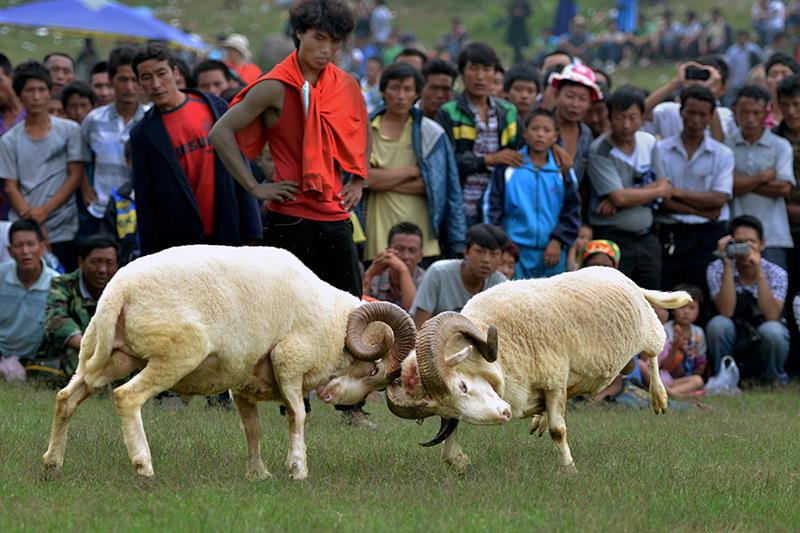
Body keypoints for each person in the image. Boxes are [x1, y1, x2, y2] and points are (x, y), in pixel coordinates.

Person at [210, 0, 371, 426]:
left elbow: (358, 132)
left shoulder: (346, 84)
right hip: (289, 216)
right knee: (284, 320)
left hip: (335, 214)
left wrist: (357, 179)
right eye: (319, 38)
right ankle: (291, 405)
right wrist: (254, 186)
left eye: (335, 41)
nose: (327, 49)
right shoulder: (274, 85)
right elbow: (220, 132)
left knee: (351, 313)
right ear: (299, 33)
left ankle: (352, 406)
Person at [130, 45, 262, 256]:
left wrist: (253, 229)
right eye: (146, 77)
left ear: (175, 73)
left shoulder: (213, 106)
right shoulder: (142, 134)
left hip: (228, 228)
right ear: (139, 84)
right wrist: (151, 257)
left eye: (161, 74)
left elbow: (241, 167)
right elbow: (146, 201)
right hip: (181, 242)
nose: (155, 84)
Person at [364, 62, 465, 262]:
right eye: (395, 88)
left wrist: (382, 180)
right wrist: (412, 171)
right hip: (377, 237)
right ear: (383, 91)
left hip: (423, 240)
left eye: (407, 89)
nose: (401, 96)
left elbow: (436, 187)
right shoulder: (365, 130)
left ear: (416, 93)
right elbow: (365, 180)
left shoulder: (432, 133)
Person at [0, 61, 85, 272]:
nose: (36, 97)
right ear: (19, 95)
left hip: (64, 227)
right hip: (25, 231)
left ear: (50, 92)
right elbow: (10, 186)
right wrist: (32, 218)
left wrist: (44, 212)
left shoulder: (70, 131)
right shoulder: (9, 140)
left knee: (63, 286)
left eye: (41, 90)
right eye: (30, 91)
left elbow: (75, 175)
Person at [587, 86, 671, 289]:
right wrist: (654, 191)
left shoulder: (648, 142)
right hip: (613, 237)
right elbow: (620, 198)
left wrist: (626, 196)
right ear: (609, 117)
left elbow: (666, 188)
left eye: (632, 117)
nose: (626, 125)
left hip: (646, 235)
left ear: (642, 117)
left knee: (650, 298)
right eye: (619, 117)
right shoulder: (600, 150)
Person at [656, 86, 734, 299]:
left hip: (708, 234)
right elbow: (662, 199)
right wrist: (702, 210)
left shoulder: (722, 154)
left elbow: (719, 198)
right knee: (667, 296)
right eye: (691, 112)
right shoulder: (661, 150)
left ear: (711, 117)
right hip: (671, 232)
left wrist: (676, 192)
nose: (695, 120)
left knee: (703, 297)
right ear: (681, 112)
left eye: (702, 114)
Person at [485, 108, 580, 278]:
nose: (540, 135)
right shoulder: (509, 166)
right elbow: (492, 207)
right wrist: (503, 245)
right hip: (514, 251)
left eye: (546, 130)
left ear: (555, 136)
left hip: (553, 251)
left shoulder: (562, 169)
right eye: (535, 129)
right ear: (525, 133)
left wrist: (558, 240)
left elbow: (572, 209)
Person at [436, 42, 522, 227]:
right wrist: (488, 160)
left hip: (498, 206)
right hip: (460, 206)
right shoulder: (449, 112)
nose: (480, 77)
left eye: (487, 69)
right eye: (473, 69)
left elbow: (520, 153)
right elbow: (446, 164)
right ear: (462, 72)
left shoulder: (508, 112)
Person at [706, 215, 790, 385]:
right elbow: (726, 311)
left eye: (750, 242)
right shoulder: (716, 269)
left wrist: (758, 272)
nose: (745, 248)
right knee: (718, 324)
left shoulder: (776, 273)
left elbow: (772, 315)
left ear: (762, 244)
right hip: (733, 327)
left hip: (761, 328)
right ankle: (723, 379)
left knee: (774, 330)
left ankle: (774, 380)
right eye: (739, 242)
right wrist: (728, 265)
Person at [727, 84, 795, 272]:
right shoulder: (727, 145)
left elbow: (784, 188)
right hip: (735, 235)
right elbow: (727, 187)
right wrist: (763, 177)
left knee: (774, 295)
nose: (750, 119)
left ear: (766, 113)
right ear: (736, 112)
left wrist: (741, 182)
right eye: (745, 112)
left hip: (773, 236)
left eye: (756, 113)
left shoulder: (780, 146)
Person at [80, 47, 147, 237]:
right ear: (111, 80)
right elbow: (80, 157)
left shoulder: (150, 119)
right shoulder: (94, 119)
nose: (128, 87)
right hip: (101, 209)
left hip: (139, 211)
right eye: (123, 79)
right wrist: (85, 188)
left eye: (134, 80)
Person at [42, 234, 119, 375]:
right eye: (96, 262)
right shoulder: (62, 284)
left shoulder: (124, 289)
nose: (102, 270)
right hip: (76, 348)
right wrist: (92, 348)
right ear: (81, 262)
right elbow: (56, 319)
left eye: (109, 263)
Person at [411, 223, 508, 329]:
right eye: (479, 252)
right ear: (466, 252)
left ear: (502, 258)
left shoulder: (501, 284)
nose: (486, 260)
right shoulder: (438, 273)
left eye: (494, 254)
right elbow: (419, 326)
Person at [0, 219, 59, 382]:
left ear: (42, 247)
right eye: (18, 246)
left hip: (39, 358)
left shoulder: (56, 283)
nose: (25, 251)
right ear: (10, 251)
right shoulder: (1, 276)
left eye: (31, 244)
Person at [773, 74, 800, 298]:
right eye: (786, 105)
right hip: (780, 229)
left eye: (797, 104)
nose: (791, 111)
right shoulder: (772, 140)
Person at [363, 221, 426, 311]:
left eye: (412, 250)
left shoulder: (427, 280)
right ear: (388, 250)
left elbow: (413, 315)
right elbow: (357, 306)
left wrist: (403, 270)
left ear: (420, 256)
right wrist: (369, 274)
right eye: (399, 249)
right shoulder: (376, 277)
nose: (405, 256)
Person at [661, 283, 708, 396]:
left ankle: (673, 392)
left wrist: (695, 355)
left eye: (692, 308)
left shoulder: (698, 333)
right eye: (682, 307)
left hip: (683, 378)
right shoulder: (666, 330)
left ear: (698, 311)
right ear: (672, 308)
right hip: (665, 375)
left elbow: (702, 359)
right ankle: (678, 392)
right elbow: (663, 363)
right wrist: (676, 346)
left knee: (698, 380)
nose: (687, 312)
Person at [763, 53, 798, 127]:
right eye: (773, 75)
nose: (779, 80)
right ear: (766, 82)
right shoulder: (759, 115)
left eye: (785, 75)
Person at [506, 0, 531, 65]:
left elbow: (529, 12)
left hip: (522, 27)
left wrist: (522, 13)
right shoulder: (514, 2)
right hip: (514, 27)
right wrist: (514, 13)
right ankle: (517, 61)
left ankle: (520, 61)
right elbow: (509, 12)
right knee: (515, 47)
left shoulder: (525, 3)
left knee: (521, 47)